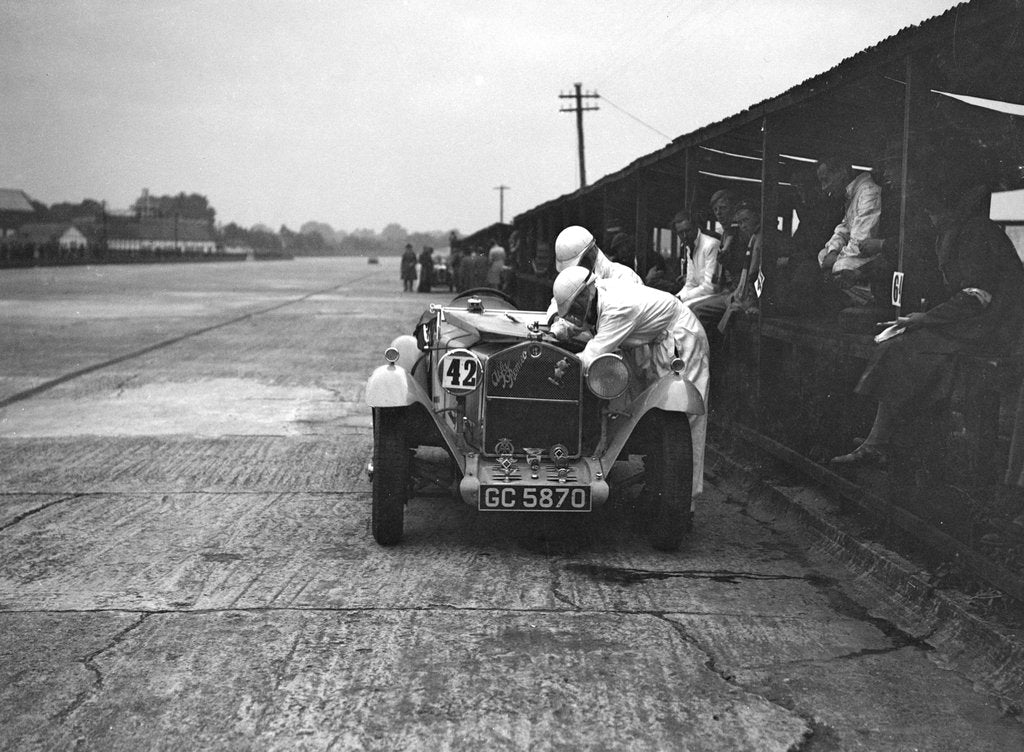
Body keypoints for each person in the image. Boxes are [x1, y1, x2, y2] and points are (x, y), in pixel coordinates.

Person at [831, 183, 1024, 466]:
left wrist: (925, 318)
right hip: (981, 322)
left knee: (904, 348)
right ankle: (883, 439)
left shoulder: (974, 233)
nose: (931, 220)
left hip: (1001, 328)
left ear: (947, 210)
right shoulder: (955, 232)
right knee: (902, 343)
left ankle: (879, 443)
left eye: (933, 213)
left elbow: (977, 297)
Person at [551, 265, 710, 495]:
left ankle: (685, 502)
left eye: (575, 306)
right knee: (659, 416)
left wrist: (557, 363)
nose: (575, 312)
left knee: (684, 420)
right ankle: (659, 487)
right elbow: (582, 321)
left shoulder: (617, 308)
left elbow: (592, 356)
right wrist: (561, 329)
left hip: (681, 340)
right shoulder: (598, 289)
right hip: (659, 341)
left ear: (585, 293)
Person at [545, 225, 642, 336]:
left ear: (591, 255)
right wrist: (558, 323)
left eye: (577, 265)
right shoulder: (581, 281)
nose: (573, 272)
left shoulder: (626, 279)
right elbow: (561, 303)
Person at [773, 167, 845, 315]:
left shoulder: (827, 212)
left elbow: (818, 247)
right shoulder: (806, 218)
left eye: (803, 188)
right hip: (803, 261)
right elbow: (797, 243)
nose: (801, 195)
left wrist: (790, 260)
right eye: (797, 189)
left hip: (819, 263)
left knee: (804, 273)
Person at [816, 155, 883, 304]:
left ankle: (872, 300)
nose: (824, 187)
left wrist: (835, 259)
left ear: (842, 172)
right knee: (822, 254)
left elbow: (861, 242)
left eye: (826, 180)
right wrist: (832, 251)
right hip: (856, 254)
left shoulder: (868, 192)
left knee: (841, 266)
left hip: (872, 258)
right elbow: (843, 229)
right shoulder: (852, 194)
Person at [690, 200, 762, 330]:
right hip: (731, 291)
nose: (743, 226)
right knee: (695, 309)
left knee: (699, 311)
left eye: (746, 220)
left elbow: (749, 273)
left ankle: (715, 345)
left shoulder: (751, 238)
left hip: (742, 294)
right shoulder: (736, 236)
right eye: (740, 222)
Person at [674, 209, 722, 308]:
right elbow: (691, 283)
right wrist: (675, 298)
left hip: (715, 295)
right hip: (703, 294)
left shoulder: (711, 245)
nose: (684, 236)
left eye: (687, 231)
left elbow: (710, 287)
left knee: (685, 308)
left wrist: (681, 298)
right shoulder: (689, 246)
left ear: (696, 227)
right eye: (680, 233)